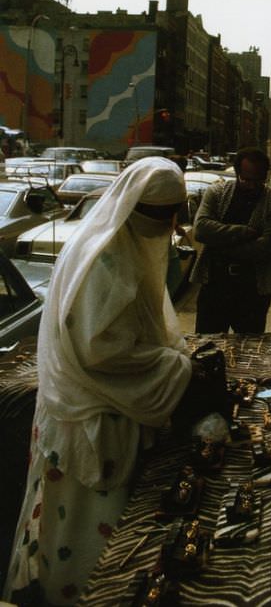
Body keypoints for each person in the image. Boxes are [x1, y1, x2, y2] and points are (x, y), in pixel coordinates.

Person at [4, 158, 196, 606]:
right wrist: (175, 365)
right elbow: (100, 349)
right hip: (88, 415)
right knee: (85, 534)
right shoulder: (104, 260)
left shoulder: (124, 246)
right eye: (161, 215)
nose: (169, 225)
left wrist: (172, 350)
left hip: (100, 410)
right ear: (134, 207)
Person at [191, 147, 271, 334]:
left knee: (250, 350)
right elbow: (201, 229)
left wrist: (220, 246)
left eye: (258, 180)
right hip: (214, 285)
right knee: (207, 345)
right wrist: (243, 232)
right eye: (246, 180)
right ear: (237, 174)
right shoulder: (217, 193)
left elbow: (267, 248)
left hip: (253, 289)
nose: (252, 186)